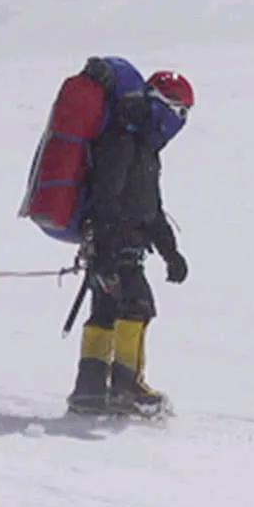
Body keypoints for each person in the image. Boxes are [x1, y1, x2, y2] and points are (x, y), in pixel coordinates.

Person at [69, 69, 194, 415]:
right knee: (136, 306)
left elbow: (150, 209)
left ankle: (89, 392)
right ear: (160, 105)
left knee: (107, 312)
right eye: (179, 110)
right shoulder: (124, 142)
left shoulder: (142, 149)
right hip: (114, 245)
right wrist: (107, 254)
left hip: (112, 246)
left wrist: (171, 253)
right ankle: (127, 389)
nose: (180, 120)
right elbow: (108, 200)